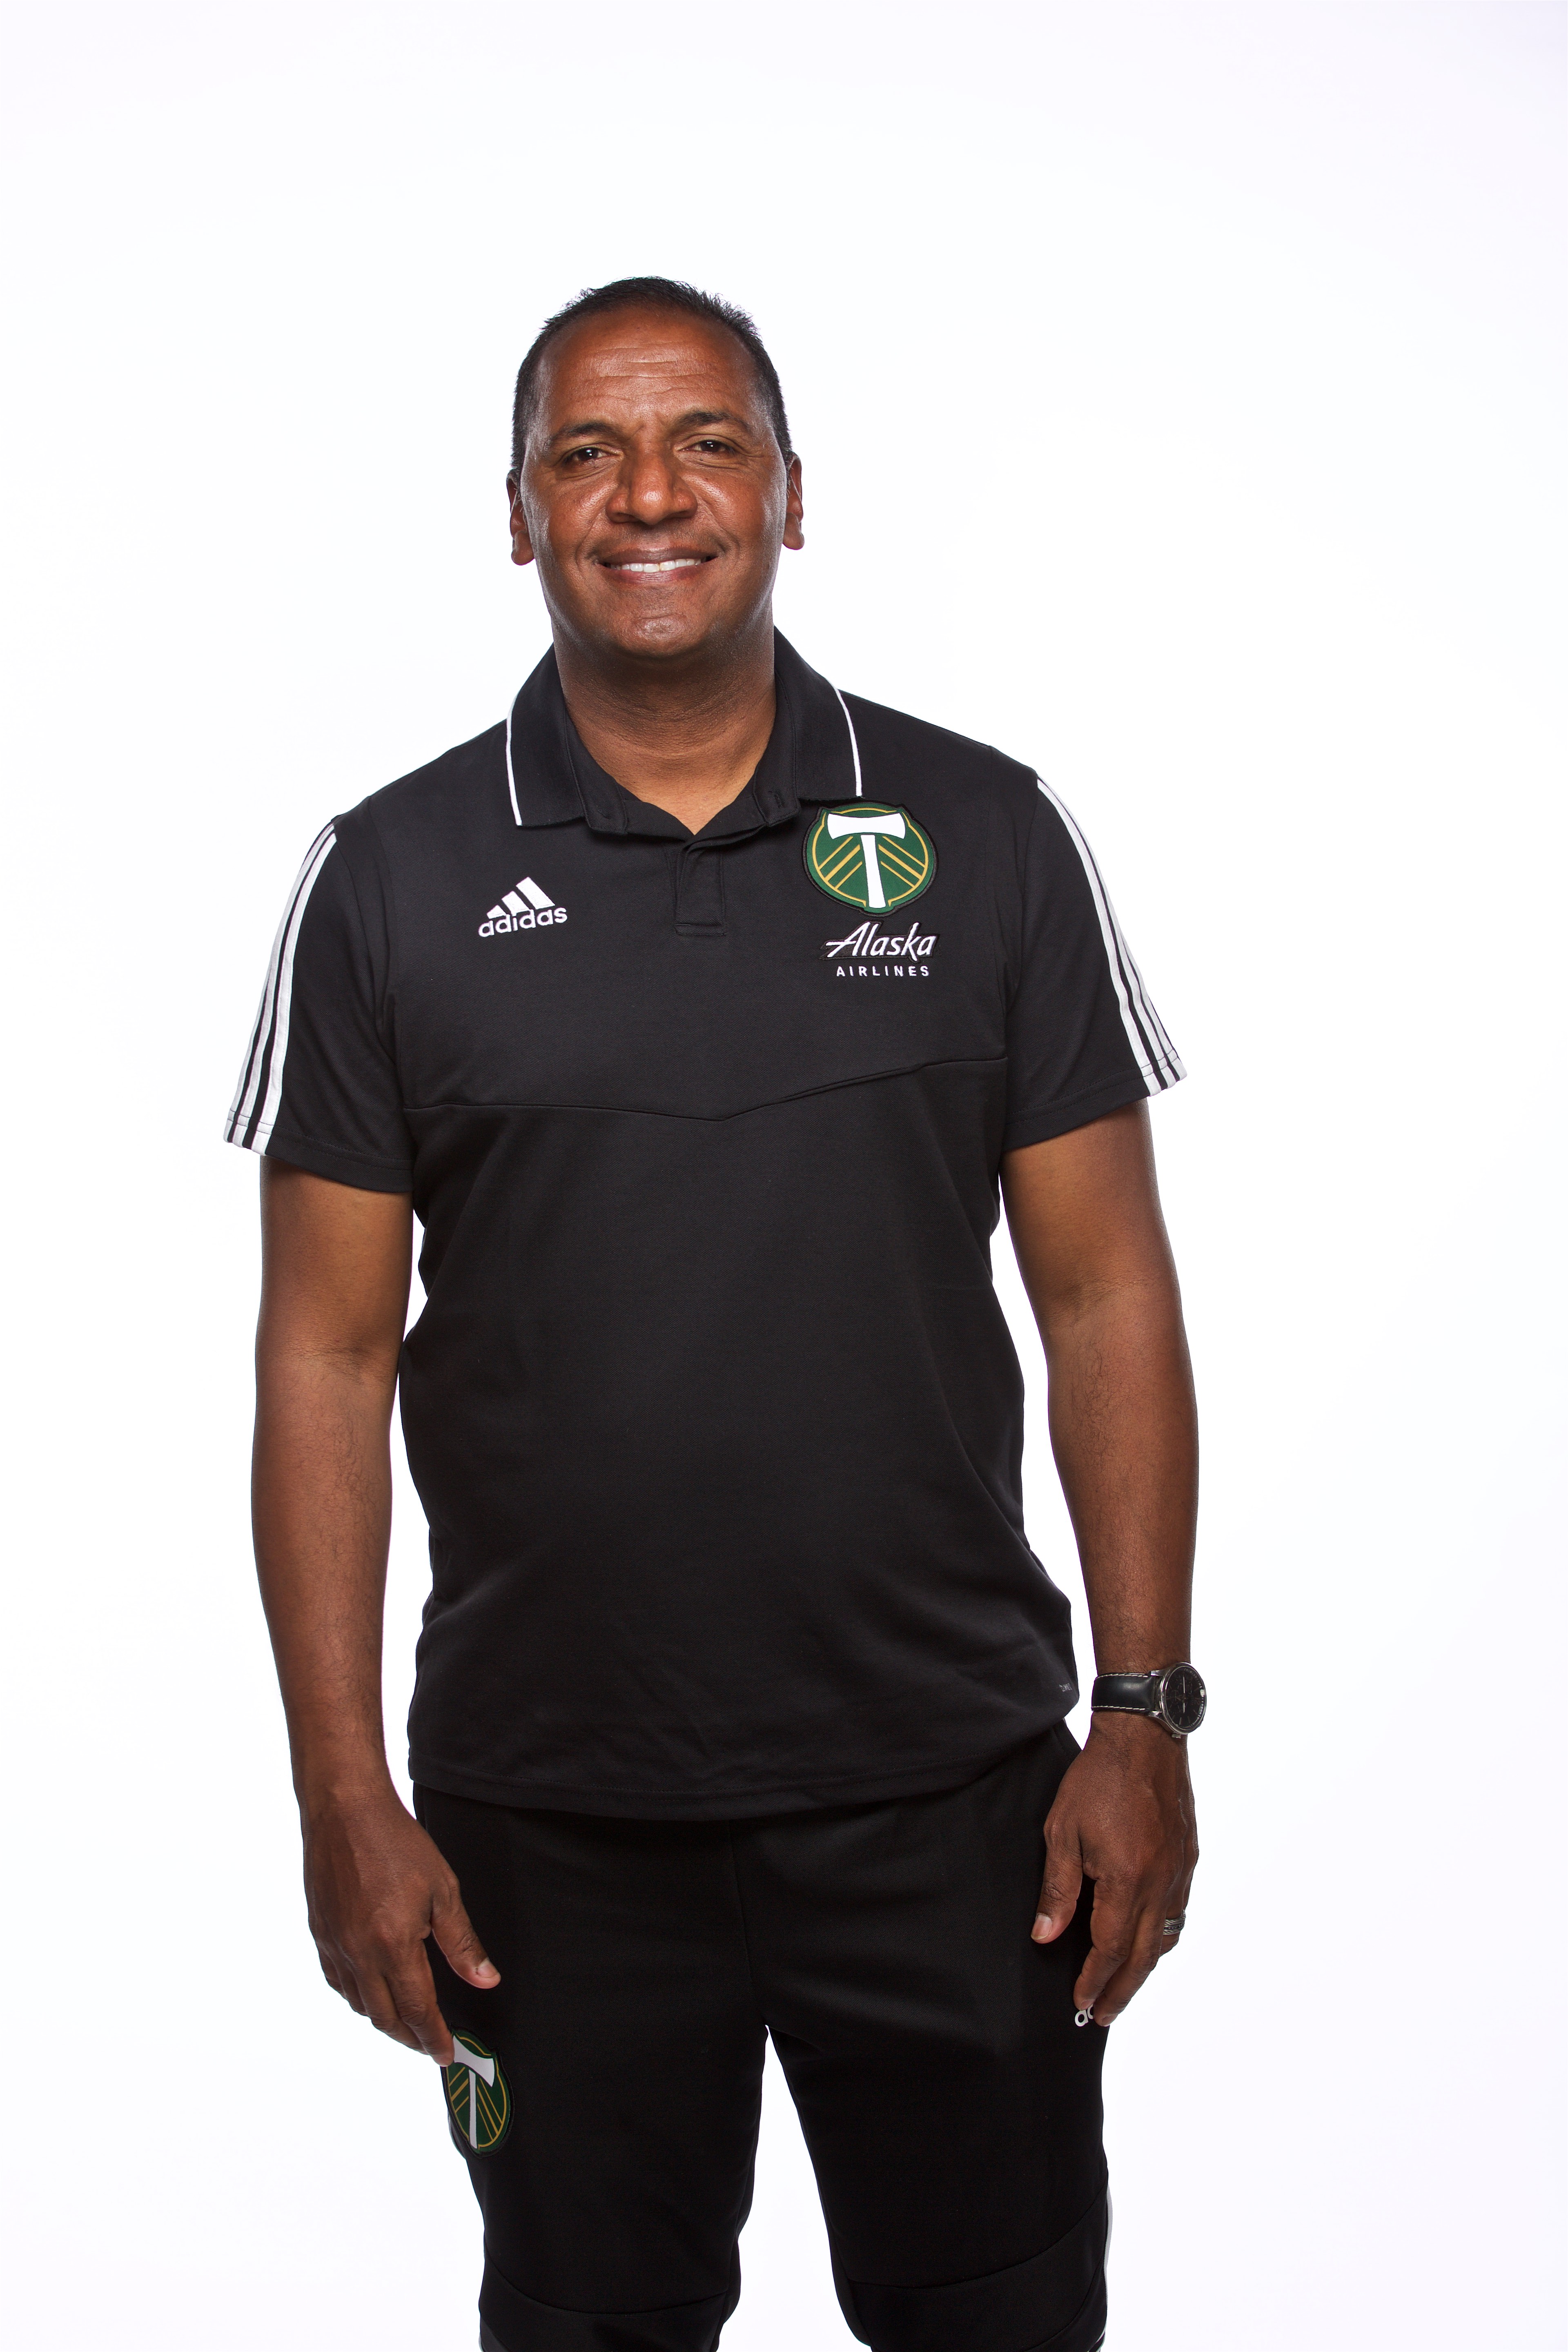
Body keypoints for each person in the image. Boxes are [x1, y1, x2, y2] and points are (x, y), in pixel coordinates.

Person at [228, 276, 1202, 2352]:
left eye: (704, 445)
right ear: (517, 512)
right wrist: (342, 1795)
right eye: (586, 454)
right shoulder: (388, 879)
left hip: (956, 1800)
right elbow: (321, 1354)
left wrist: (1142, 1714)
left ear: (788, 492)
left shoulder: (984, 835)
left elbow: (1106, 1287)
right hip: (544, 1824)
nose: (649, 496)